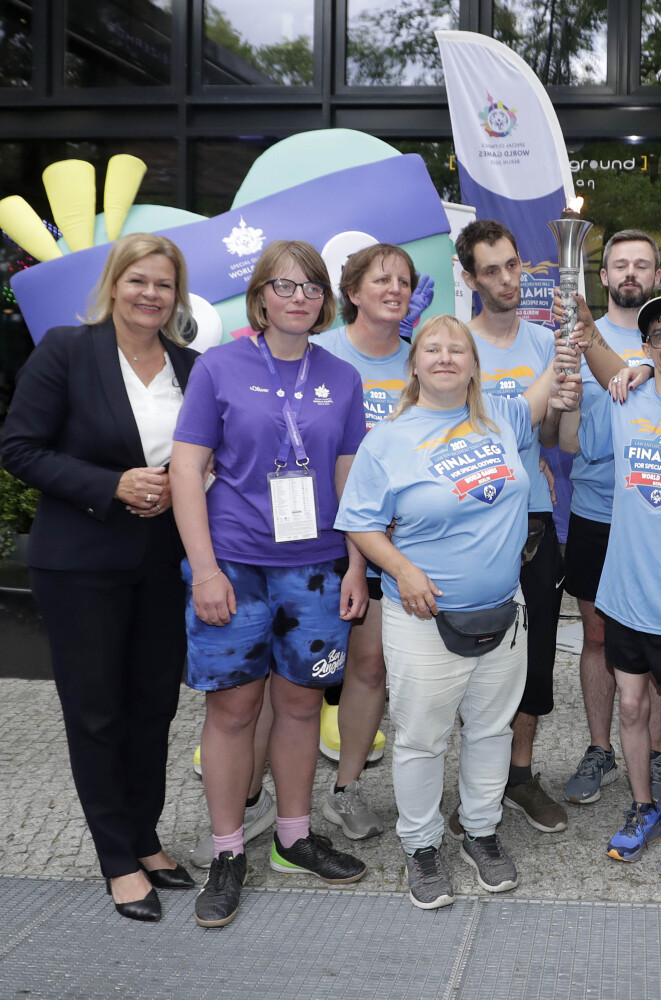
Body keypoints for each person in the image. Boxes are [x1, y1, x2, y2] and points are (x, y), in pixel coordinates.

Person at [335, 316, 579, 910]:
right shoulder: (387, 439)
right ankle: (421, 846)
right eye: (432, 349)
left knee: (492, 729)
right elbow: (362, 520)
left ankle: (480, 831)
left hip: (503, 612)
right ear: (413, 364)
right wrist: (403, 570)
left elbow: (556, 372)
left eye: (457, 349)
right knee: (421, 739)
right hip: (423, 618)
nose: (445, 357)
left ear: (474, 364)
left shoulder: (503, 419)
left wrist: (574, 330)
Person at [0, 232, 200, 922]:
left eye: (164, 285)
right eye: (139, 280)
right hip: (80, 561)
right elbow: (19, 449)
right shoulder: (66, 350)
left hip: (163, 562)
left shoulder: (191, 365)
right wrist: (110, 484)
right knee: (96, 711)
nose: (151, 295)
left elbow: (205, 457)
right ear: (114, 284)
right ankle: (117, 858)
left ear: (178, 296)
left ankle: (144, 837)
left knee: (153, 706)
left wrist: (185, 484)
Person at [171, 240, 370, 929]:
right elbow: (185, 471)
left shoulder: (341, 378)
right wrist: (203, 569)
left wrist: (357, 563)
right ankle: (229, 852)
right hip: (234, 564)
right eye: (284, 286)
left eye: (311, 287)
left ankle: (293, 835)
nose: (299, 297)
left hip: (315, 566)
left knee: (299, 704)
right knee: (232, 709)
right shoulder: (217, 369)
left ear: (325, 301)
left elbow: (351, 481)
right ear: (259, 297)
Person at [563, 295, 661, 877]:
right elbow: (596, 350)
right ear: (643, 347)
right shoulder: (627, 399)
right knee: (629, 704)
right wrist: (581, 318)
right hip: (622, 590)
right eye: (659, 336)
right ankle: (642, 806)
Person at [452, 219, 569, 834]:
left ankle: (519, 775)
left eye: (512, 265)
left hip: (533, 517)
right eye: (490, 270)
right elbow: (459, 432)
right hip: (472, 521)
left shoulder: (547, 343)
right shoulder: (453, 345)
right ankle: (477, 784)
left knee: (537, 653)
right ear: (469, 278)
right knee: (473, 653)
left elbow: (547, 435)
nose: (506, 280)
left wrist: (551, 440)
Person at [310, 242, 420, 840]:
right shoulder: (320, 355)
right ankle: (267, 798)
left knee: (369, 664)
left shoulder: (421, 363)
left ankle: (346, 789)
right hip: (317, 544)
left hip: (394, 547)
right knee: (294, 678)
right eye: (381, 280)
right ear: (352, 291)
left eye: (403, 281)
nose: (395, 289)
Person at [560, 229, 661, 811]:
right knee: (599, 636)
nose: (631, 273)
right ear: (601, 277)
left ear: (657, 276)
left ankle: (654, 753)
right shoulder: (575, 337)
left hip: (660, 515)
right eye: (619, 265)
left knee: (656, 637)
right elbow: (567, 432)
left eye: (642, 265)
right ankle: (601, 747)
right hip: (596, 510)